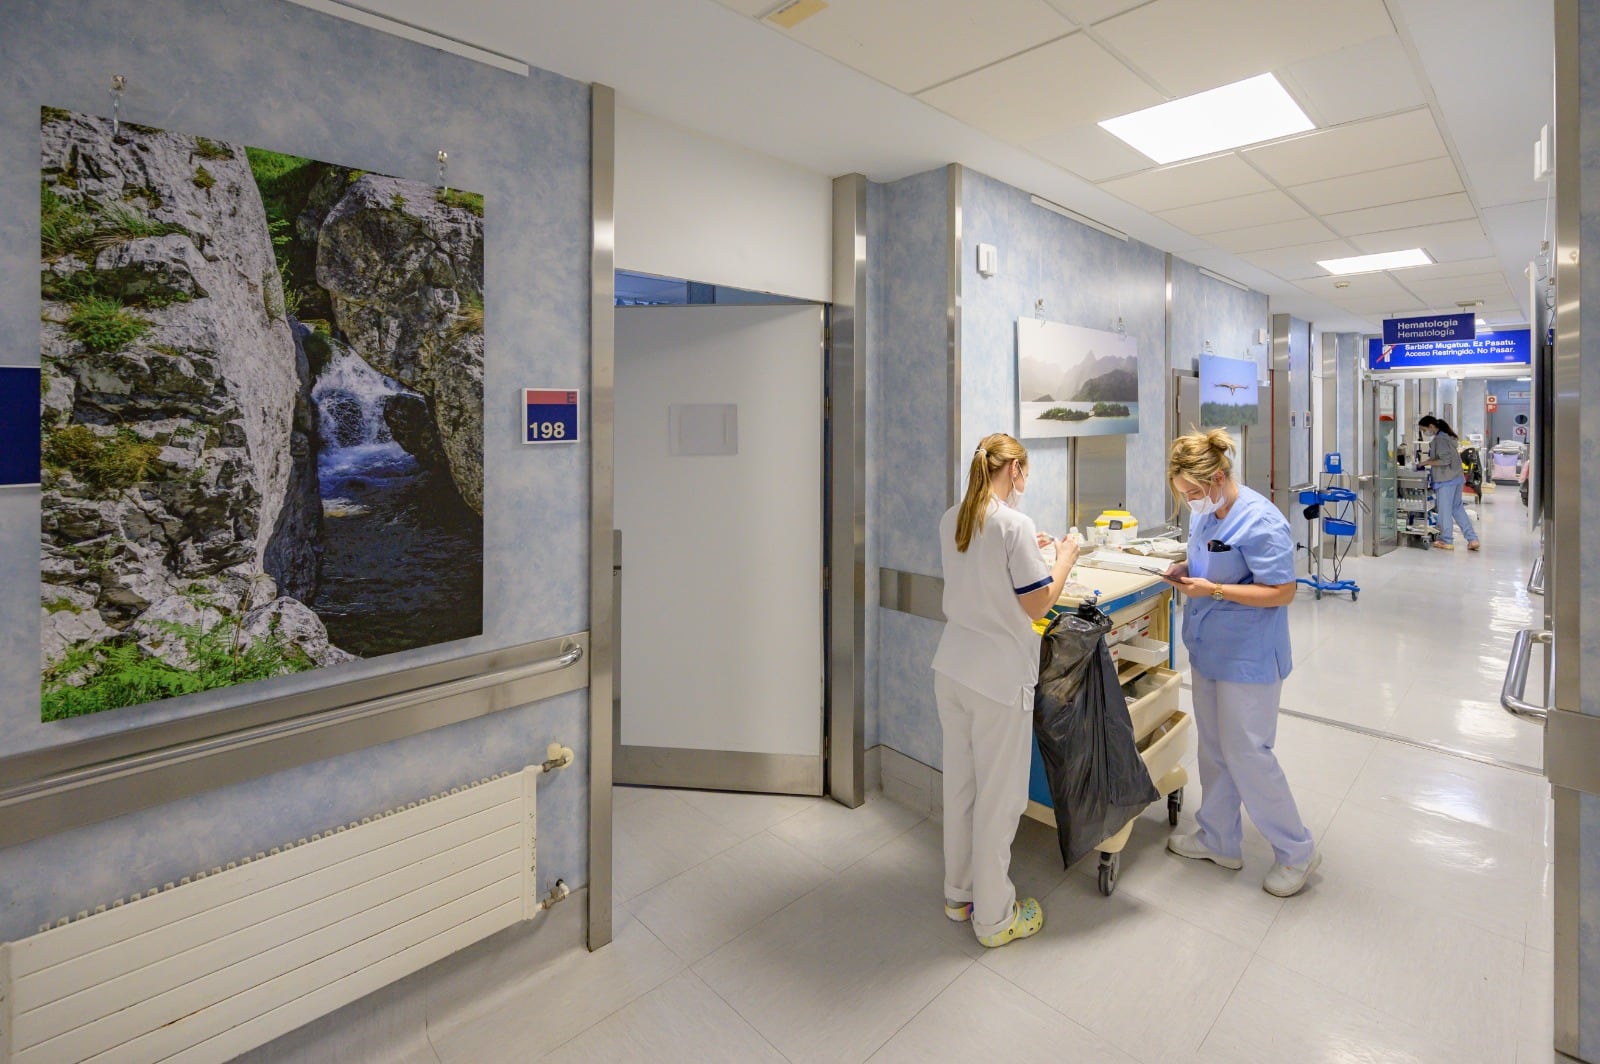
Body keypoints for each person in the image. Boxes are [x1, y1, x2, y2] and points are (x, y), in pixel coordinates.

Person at [932, 433, 1078, 947]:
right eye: (1025, 472)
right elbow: (1037, 605)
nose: (1025, 480)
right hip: (997, 680)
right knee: (1000, 799)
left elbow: (982, 573)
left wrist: (1030, 553)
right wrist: (1064, 557)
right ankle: (995, 919)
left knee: (962, 788)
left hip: (953, 669)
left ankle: (959, 895)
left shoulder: (953, 518)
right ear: (1014, 470)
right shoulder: (1013, 523)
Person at [1162, 429, 1321, 897]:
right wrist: (1187, 570)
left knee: (1248, 753)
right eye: (1183, 494)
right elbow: (1212, 562)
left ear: (1218, 477)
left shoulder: (1261, 520)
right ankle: (1218, 838)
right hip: (1210, 647)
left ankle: (1297, 850)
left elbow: (1282, 591)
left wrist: (1212, 589)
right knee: (1213, 748)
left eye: (1193, 492)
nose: (1189, 502)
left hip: (1248, 654)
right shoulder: (1207, 515)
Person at [1418, 415, 1480, 551]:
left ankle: (1446, 540)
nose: (1424, 433)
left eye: (1424, 430)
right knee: (1457, 509)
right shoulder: (1448, 438)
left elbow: (1445, 460)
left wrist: (1426, 462)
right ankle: (1472, 539)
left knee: (1444, 511)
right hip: (1456, 478)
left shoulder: (1439, 440)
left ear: (1431, 427)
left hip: (1446, 480)